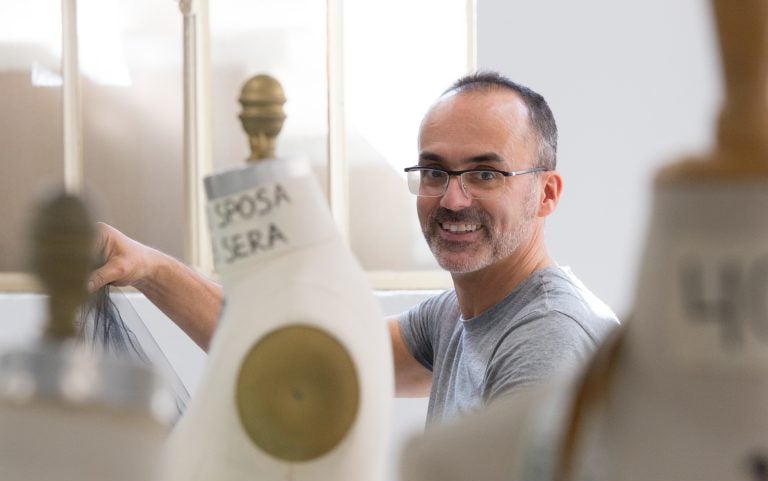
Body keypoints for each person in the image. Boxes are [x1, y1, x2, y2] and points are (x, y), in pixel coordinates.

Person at [88, 70, 619, 426]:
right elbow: (301, 367)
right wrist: (147, 268)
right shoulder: (457, 317)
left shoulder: (547, 339)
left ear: (546, 193)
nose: (453, 199)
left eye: (485, 173)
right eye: (434, 171)